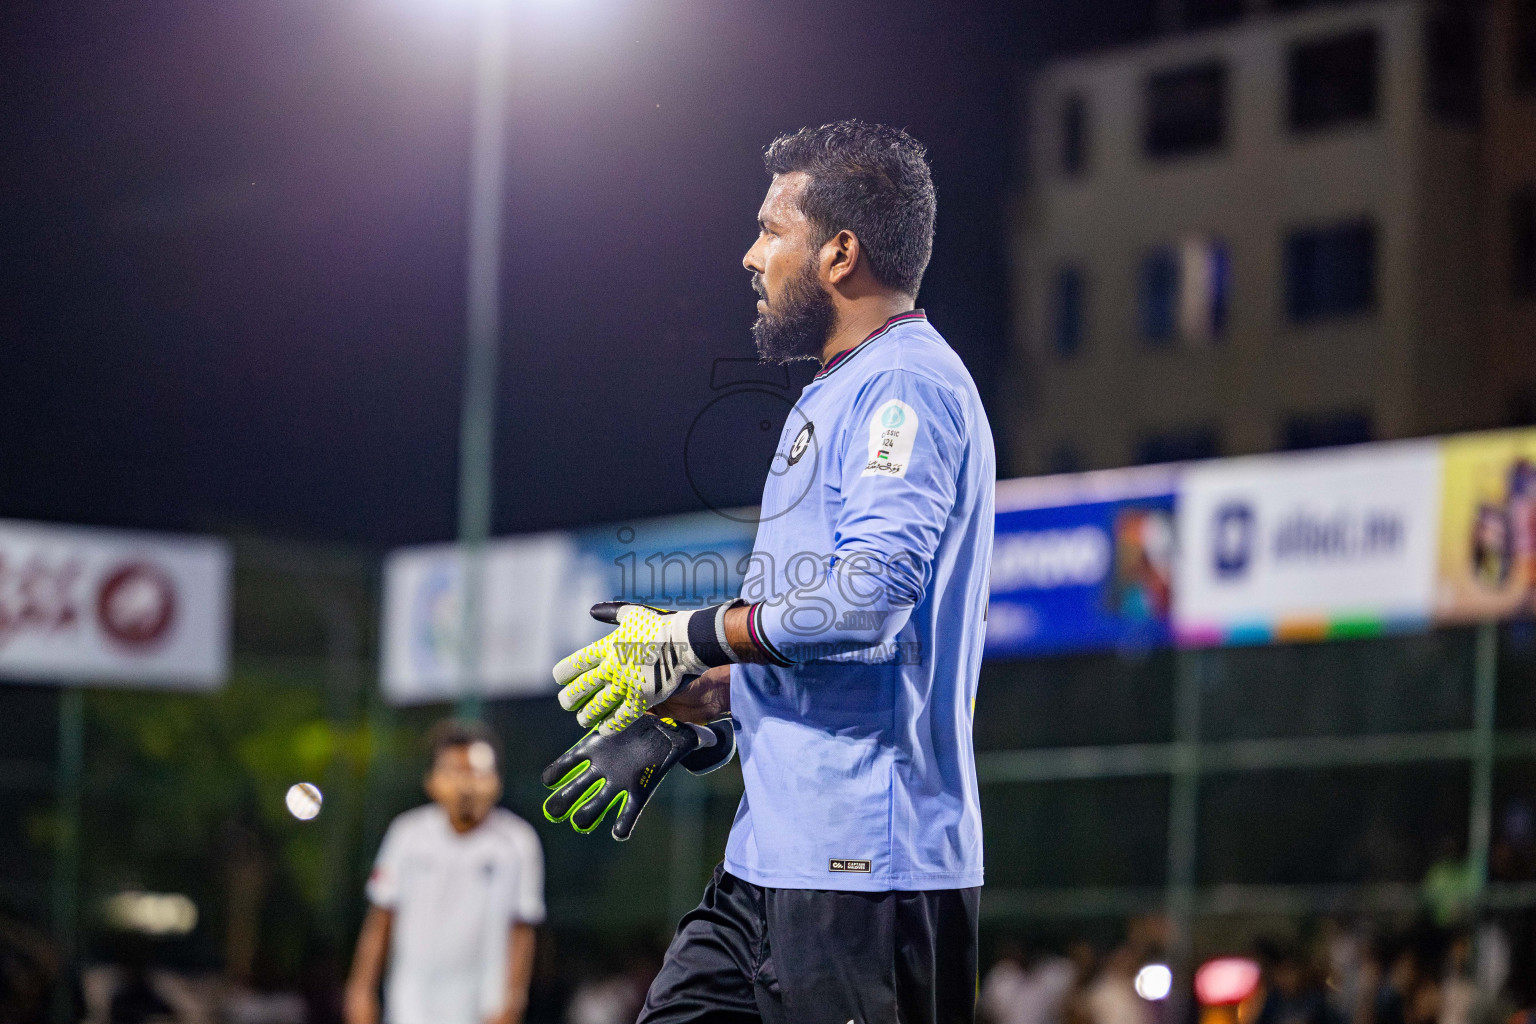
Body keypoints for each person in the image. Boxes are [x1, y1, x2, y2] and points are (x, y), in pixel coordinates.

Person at [541, 120, 995, 1023]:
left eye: (769, 230)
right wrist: (693, 715)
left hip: (867, 875)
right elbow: (810, 648)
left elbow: (867, 599)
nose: (751, 256)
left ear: (839, 252)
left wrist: (688, 631)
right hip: (768, 867)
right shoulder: (834, 391)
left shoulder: (906, 387)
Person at [345, 721, 544, 1024]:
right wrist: (360, 991)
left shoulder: (518, 842)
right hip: (411, 1006)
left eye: (477, 772)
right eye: (454, 771)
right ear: (432, 781)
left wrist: (512, 1002)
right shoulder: (407, 834)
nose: (466, 784)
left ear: (496, 781)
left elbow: (522, 930)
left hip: (482, 1008)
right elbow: (381, 917)